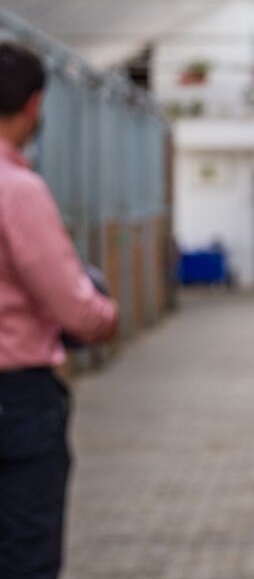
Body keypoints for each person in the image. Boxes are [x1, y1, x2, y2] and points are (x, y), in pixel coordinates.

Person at [0, 41, 117, 578]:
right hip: (16, 400)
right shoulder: (18, 191)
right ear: (34, 105)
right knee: (24, 556)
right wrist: (103, 312)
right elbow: (75, 309)